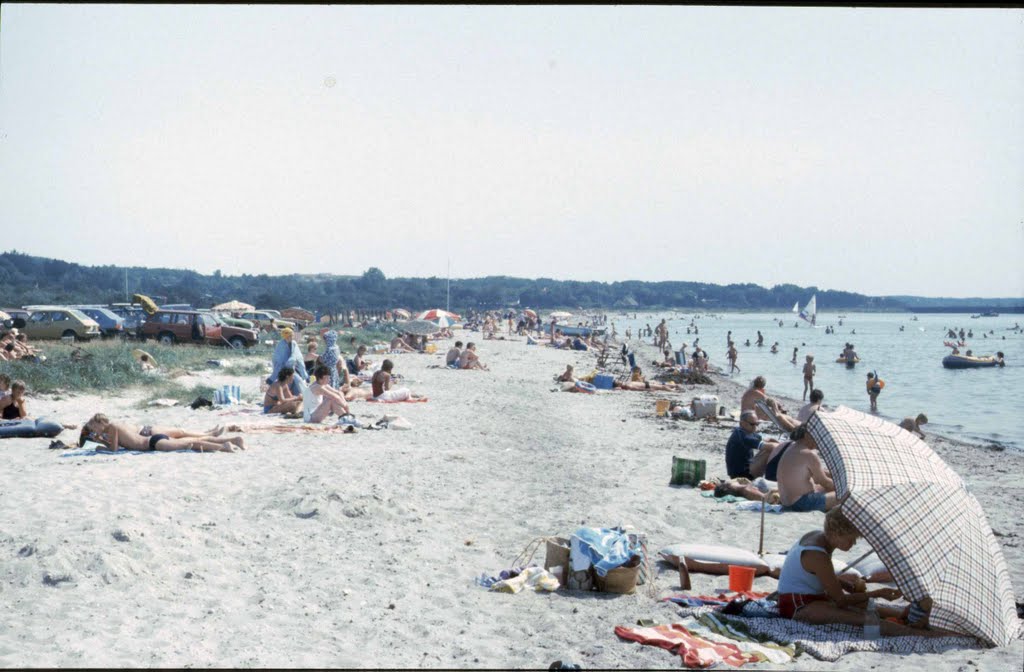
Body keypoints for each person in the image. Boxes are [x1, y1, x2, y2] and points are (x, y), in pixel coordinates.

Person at [83, 414, 244, 453]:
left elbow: (114, 450)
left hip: (152, 443)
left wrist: (99, 445)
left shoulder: (112, 428)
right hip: (152, 440)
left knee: (190, 443)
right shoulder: (114, 426)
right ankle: (233, 440)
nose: (93, 430)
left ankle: (224, 446)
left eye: (93, 427)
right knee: (187, 439)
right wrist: (101, 440)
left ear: (99, 423)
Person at [777, 425, 836, 512]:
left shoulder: (792, 448)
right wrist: (841, 488)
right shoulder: (809, 454)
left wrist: (835, 475)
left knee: (824, 488)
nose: (819, 441)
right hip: (801, 504)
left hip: (786, 502)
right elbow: (823, 481)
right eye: (818, 437)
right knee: (844, 496)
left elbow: (818, 472)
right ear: (807, 435)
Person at [725, 410, 778, 479]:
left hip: (746, 467)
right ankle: (773, 477)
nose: (755, 427)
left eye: (757, 424)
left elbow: (768, 440)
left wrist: (778, 443)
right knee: (770, 451)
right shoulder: (742, 436)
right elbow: (771, 447)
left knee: (772, 444)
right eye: (752, 424)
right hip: (741, 475)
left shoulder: (746, 431)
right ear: (742, 424)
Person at [269, 327, 308, 395]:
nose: (292, 337)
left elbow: (298, 357)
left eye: (292, 335)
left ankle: (302, 396)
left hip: (291, 369)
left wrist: (304, 374)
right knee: (285, 385)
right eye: (290, 336)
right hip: (282, 370)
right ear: (285, 336)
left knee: (298, 382)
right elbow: (278, 360)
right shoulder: (281, 345)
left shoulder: (293, 343)